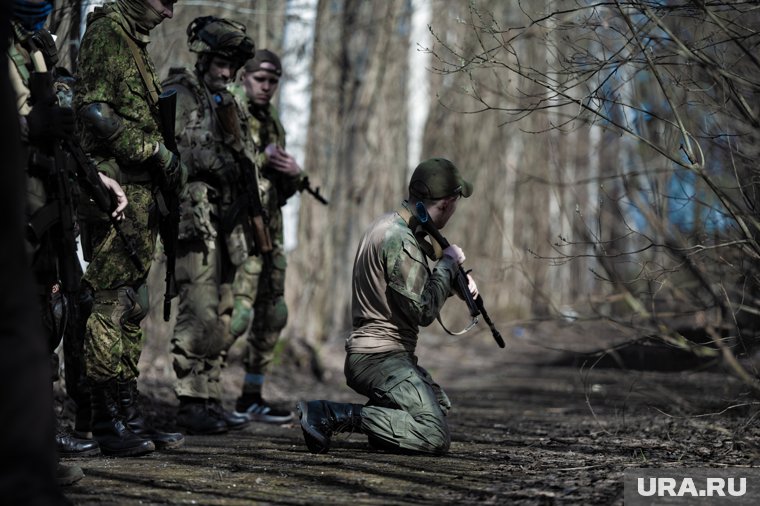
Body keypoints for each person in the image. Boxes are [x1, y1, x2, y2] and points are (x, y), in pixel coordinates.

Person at [297, 158, 478, 455]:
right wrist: (447, 263)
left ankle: (382, 427)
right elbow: (422, 312)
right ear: (446, 203)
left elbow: (405, 295)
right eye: (455, 203)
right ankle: (328, 414)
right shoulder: (400, 239)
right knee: (433, 434)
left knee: (438, 405)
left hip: (382, 355)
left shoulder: (390, 226)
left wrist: (452, 287)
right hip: (379, 357)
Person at [74, 0, 185, 456]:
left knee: (134, 306)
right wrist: (154, 151)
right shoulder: (105, 34)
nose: (168, 13)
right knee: (109, 303)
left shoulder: (130, 39)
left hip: (140, 197)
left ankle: (127, 412)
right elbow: (94, 111)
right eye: (164, 1)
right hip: (115, 193)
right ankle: (105, 420)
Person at [162, 16, 258, 435]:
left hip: (226, 222)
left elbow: (243, 155)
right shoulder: (181, 94)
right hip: (194, 220)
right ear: (204, 58)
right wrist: (207, 162)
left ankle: (211, 395)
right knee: (198, 309)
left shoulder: (228, 103)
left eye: (232, 66)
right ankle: (191, 400)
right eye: (220, 63)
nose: (226, 72)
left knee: (223, 309)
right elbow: (164, 155)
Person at [1, 1, 76, 501]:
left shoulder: (39, 43)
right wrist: (32, 125)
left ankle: (37, 441)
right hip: (18, 196)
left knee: (48, 311)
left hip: (42, 191)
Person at [231, 50, 303, 424]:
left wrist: (293, 171)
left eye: (273, 81)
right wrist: (262, 161)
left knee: (273, 314)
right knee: (235, 314)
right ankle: (201, 396)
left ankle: (251, 395)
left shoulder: (272, 119)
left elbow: (282, 188)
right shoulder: (231, 108)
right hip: (239, 232)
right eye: (261, 79)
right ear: (245, 77)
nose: (267, 87)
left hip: (271, 231)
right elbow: (225, 165)